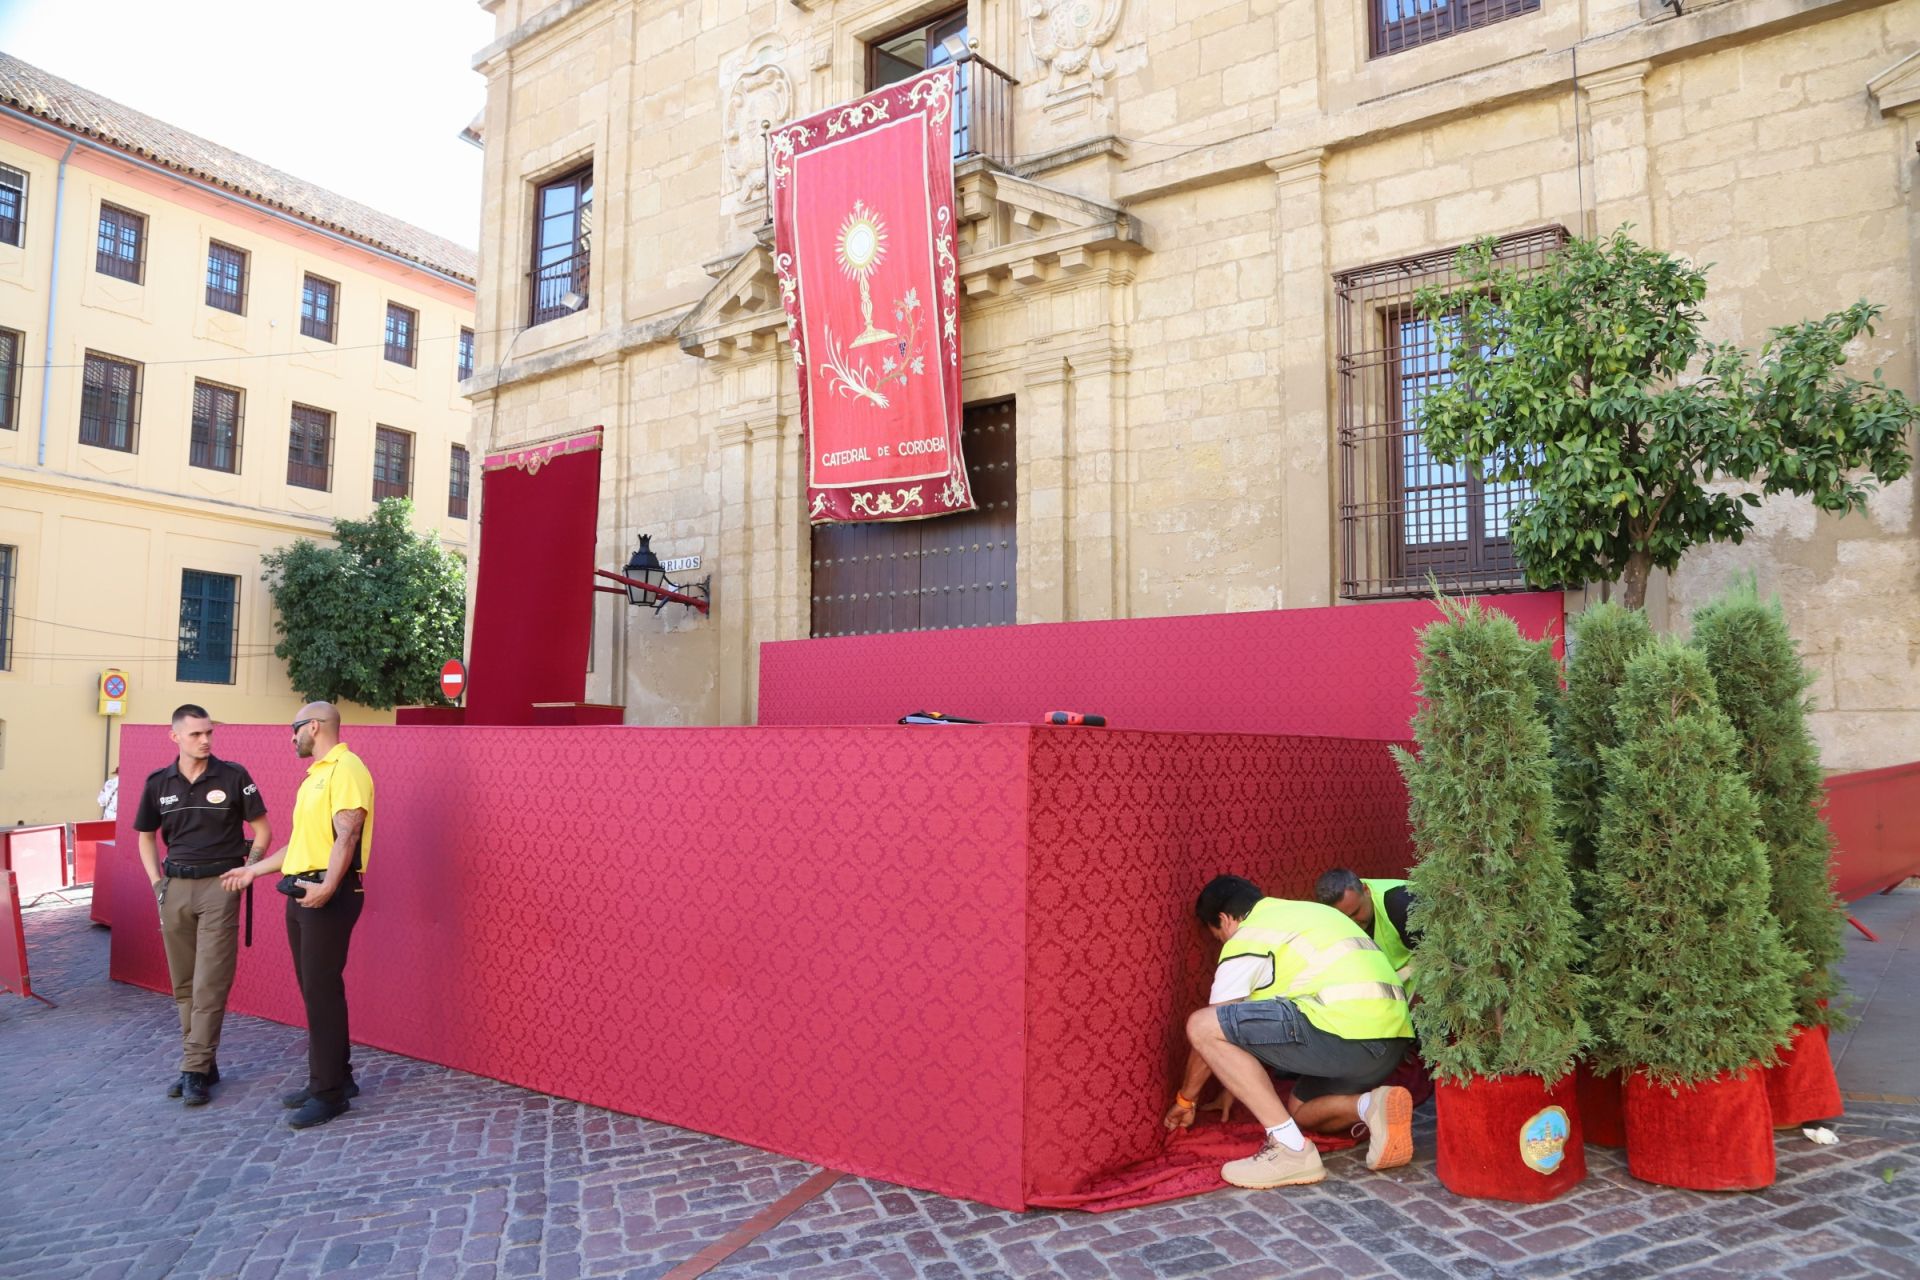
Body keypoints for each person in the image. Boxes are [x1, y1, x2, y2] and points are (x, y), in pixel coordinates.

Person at [1164, 875, 1416, 1189]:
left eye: (1217, 936)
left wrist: (1186, 1101)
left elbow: (1215, 1025)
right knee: (1300, 1111)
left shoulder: (1248, 936)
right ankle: (1372, 1105)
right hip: (1389, 1043)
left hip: (1345, 1034)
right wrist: (1232, 1078)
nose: (1222, 942)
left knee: (1201, 1024)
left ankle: (1291, 1151)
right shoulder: (1310, 913)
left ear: (1224, 920)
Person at [222, 702, 374, 1130]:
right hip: (303, 888)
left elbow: (349, 833)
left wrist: (327, 887)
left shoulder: (346, 768)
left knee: (322, 991)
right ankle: (335, 1079)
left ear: (313, 726)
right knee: (315, 990)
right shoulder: (314, 777)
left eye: (294, 731)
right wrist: (253, 869)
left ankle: (328, 1095)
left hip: (330, 890)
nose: (290, 739)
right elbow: (300, 846)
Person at [132, 705, 270, 1106]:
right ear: (174, 736)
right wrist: (157, 883)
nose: (205, 740)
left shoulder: (233, 776)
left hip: (219, 886)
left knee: (210, 982)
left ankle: (192, 1068)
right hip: (174, 886)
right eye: (195, 734)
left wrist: (251, 867)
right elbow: (144, 835)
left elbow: (262, 828)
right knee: (184, 985)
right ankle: (204, 1063)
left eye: (208, 733)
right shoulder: (159, 782)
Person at [1315, 868, 1420, 993]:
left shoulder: (1403, 904)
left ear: (1366, 890)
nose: (1353, 923)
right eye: (1345, 918)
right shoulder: (1329, 919)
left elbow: (1438, 957)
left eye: (1356, 912)